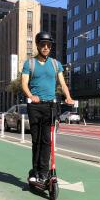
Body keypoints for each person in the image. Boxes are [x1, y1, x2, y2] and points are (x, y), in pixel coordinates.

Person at [21, 31, 74, 183]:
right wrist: (31, 96)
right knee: (36, 140)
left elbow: (63, 84)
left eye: (48, 45)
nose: (46, 47)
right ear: (37, 46)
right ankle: (35, 171)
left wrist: (68, 97)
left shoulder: (55, 64)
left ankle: (43, 172)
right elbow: (24, 83)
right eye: (43, 45)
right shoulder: (29, 63)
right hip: (35, 106)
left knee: (47, 141)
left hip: (51, 106)